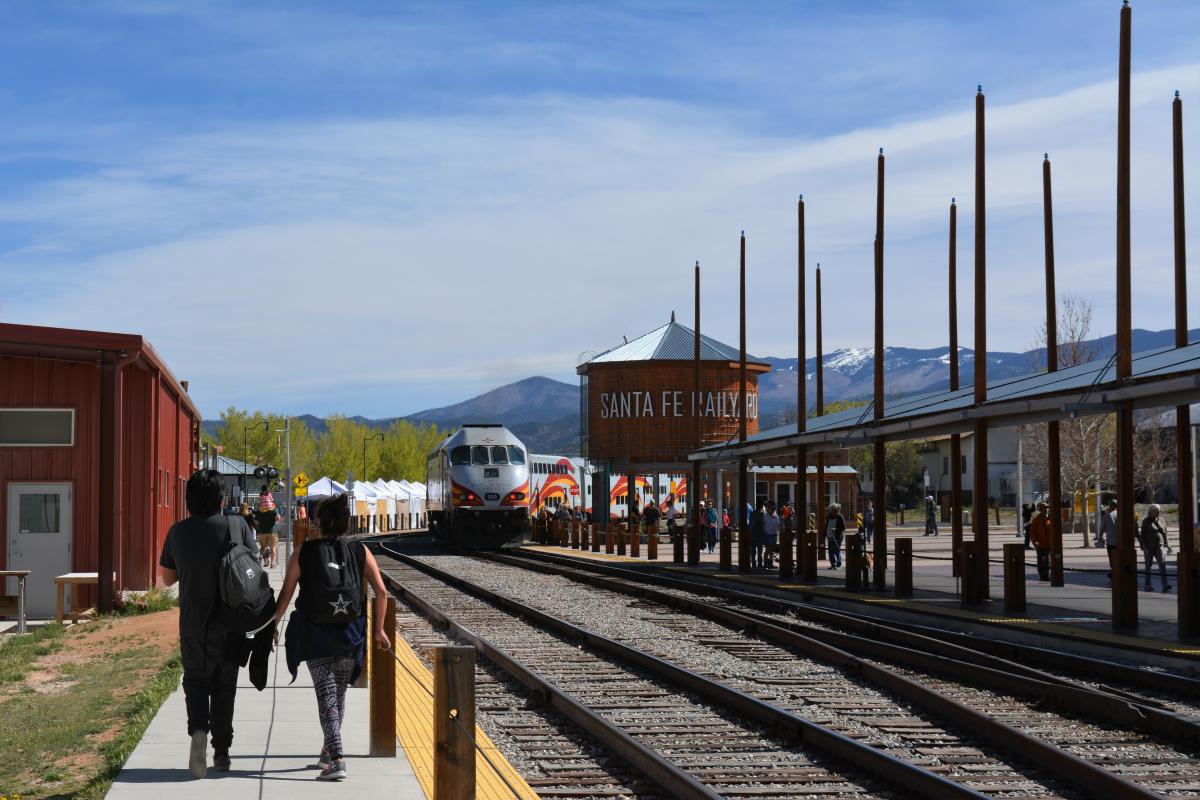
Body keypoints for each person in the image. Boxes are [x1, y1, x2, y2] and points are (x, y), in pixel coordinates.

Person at [276, 493, 392, 781]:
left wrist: (273, 624)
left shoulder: (303, 551)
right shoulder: (360, 551)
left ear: (318, 522)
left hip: (316, 634)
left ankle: (337, 760)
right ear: (345, 523)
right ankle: (328, 752)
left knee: (327, 698)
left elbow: (287, 592)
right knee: (336, 697)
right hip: (350, 634)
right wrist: (378, 630)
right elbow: (382, 592)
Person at [160, 469, 260, 778]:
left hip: (193, 624)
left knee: (195, 681)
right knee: (224, 686)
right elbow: (253, 570)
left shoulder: (177, 532)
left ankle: (198, 733)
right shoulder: (238, 526)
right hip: (231, 624)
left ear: (188, 499)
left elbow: (167, 579)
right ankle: (222, 751)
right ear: (221, 499)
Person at [1139, 504, 1171, 593]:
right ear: (1151, 512)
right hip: (1149, 547)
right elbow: (1142, 536)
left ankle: (1165, 584)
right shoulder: (1146, 521)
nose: (1158, 513)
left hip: (1159, 546)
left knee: (1162, 564)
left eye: (1159, 511)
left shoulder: (1161, 520)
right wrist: (1144, 547)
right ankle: (1147, 585)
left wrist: (1167, 544)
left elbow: (1165, 533)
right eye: (1156, 511)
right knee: (1148, 566)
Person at [1029, 502, 1053, 581]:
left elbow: (1053, 530)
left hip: (1048, 544)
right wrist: (1034, 542)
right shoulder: (1036, 520)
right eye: (1044, 508)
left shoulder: (1050, 519)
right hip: (1040, 544)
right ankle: (1042, 575)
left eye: (1046, 508)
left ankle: (1046, 575)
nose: (1046, 510)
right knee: (1040, 560)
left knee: (1047, 560)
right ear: (1040, 510)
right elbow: (1032, 532)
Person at [1100, 499, 1118, 579]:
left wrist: (1100, 537)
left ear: (1111, 506)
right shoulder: (1120, 514)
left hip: (1111, 542)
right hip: (1120, 542)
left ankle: (1114, 574)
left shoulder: (1107, 515)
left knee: (1112, 559)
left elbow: (1102, 528)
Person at [824, 503, 846, 569]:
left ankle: (838, 564)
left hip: (837, 536)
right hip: (829, 536)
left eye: (831, 509)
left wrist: (836, 529)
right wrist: (824, 533)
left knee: (836, 550)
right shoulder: (829, 516)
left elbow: (843, 528)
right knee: (830, 551)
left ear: (836, 510)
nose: (830, 510)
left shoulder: (840, 516)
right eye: (830, 509)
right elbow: (826, 526)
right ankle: (833, 564)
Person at [763, 501, 780, 569]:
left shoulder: (776, 516)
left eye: (774, 509)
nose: (773, 510)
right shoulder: (765, 516)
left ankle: (770, 563)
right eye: (772, 508)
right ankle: (765, 563)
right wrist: (764, 534)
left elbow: (778, 525)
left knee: (772, 550)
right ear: (768, 509)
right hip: (768, 535)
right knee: (767, 549)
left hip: (774, 534)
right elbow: (763, 525)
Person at [749, 502, 766, 568]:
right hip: (759, 534)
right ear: (761, 507)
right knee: (759, 551)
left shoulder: (752, 513)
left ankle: (753, 564)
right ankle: (759, 564)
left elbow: (750, 522)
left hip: (752, 534)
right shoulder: (761, 514)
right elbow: (762, 526)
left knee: (753, 551)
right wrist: (764, 534)